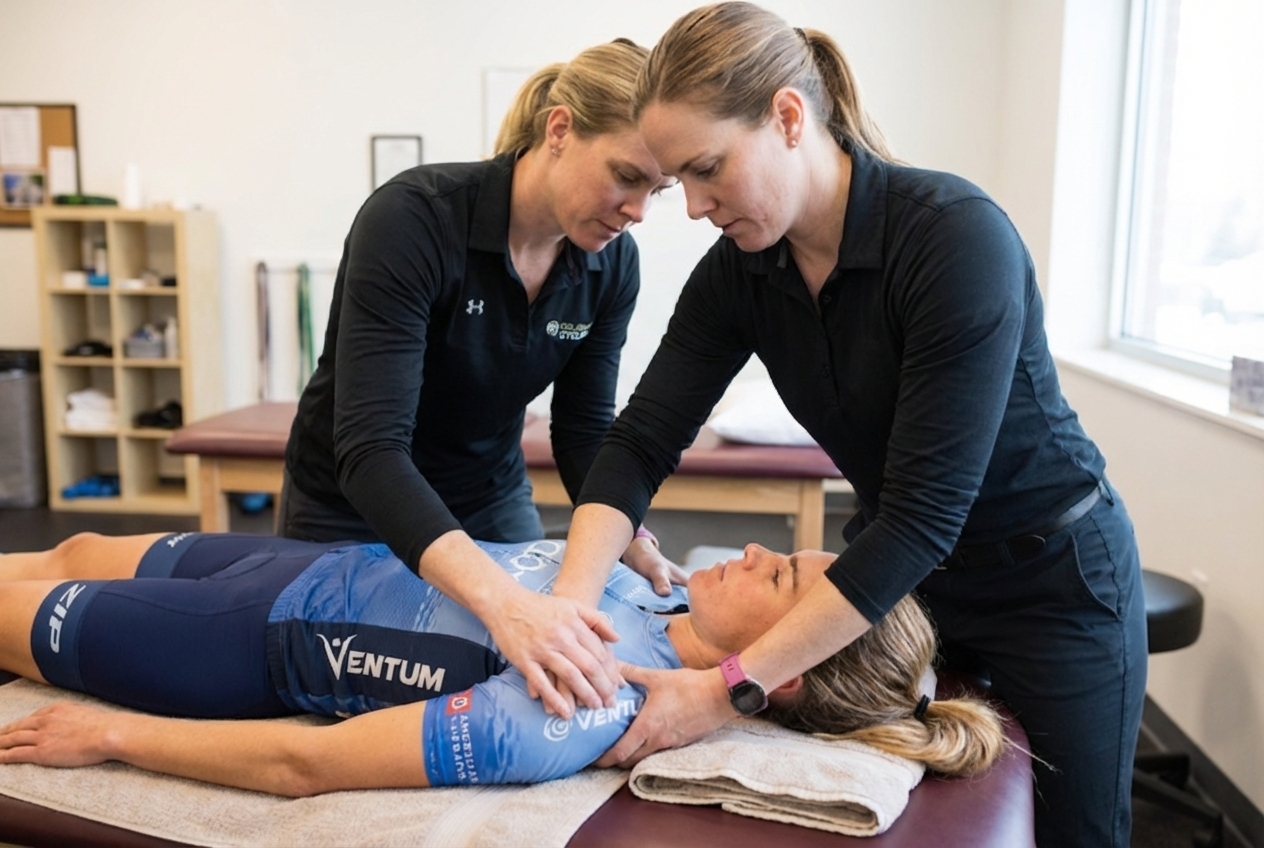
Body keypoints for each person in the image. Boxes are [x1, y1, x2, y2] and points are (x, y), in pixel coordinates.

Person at [549, 4, 1146, 846]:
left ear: (788, 117)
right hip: (900, 582)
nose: (691, 206)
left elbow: (922, 515)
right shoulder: (742, 275)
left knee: (1075, 831)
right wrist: (568, 610)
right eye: (679, 177)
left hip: (1047, 584)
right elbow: (640, 440)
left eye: (708, 168)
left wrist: (726, 687)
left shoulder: (952, 240)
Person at [278, 39, 684, 720]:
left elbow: (583, 432)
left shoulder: (611, 266)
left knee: (503, 680)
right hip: (353, 499)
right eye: (625, 175)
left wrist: (630, 536)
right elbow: (372, 448)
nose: (637, 210)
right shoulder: (415, 219)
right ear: (559, 129)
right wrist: (501, 601)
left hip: (486, 492)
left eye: (657, 191)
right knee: (325, 690)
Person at [0, 532, 1003, 794]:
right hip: (308, 562)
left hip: (240, 640)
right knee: (70, 550)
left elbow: (305, 764)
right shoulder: (651, 588)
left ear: (778, 667)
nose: (747, 551)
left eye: (774, 571)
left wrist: (113, 733)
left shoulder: (586, 702)